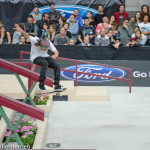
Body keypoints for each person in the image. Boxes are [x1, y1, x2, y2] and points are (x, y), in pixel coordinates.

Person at [13, 24, 62, 92]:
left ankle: (57, 84)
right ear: (41, 44)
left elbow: (56, 51)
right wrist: (21, 30)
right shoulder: (35, 40)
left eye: (46, 48)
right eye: (44, 48)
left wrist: (55, 55)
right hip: (35, 57)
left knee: (57, 65)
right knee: (45, 63)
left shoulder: (48, 42)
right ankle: (41, 83)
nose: (45, 49)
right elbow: (27, 35)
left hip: (45, 56)